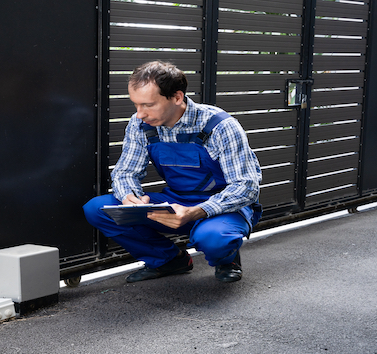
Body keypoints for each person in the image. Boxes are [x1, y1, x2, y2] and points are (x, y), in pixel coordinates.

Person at [83, 61, 262, 283]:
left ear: (177, 97)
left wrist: (198, 211)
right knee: (97, 209)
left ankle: (227, 258)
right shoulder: (141, 125)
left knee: (215, 239)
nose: (139, 114)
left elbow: (247, 187)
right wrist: (130, 197)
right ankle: (169, 260)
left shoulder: (220, 125)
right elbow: (125, 172)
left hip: (223, 207)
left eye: (148, 105)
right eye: (136, 105)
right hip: (176, 201)